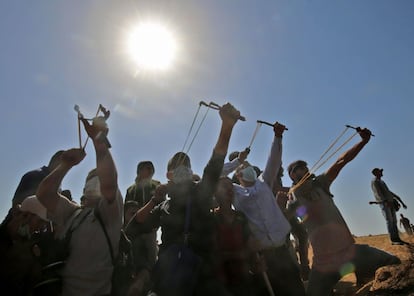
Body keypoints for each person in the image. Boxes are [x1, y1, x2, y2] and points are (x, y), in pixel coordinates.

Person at [134, 102, 241, 296]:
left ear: (192, 172)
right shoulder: (164, 205)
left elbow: (214, 165)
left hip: (203, 279)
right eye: (177, 167)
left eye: (187, 166)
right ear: (169, 175)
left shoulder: (200, 192)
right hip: (169, 279)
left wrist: (227, 127)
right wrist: (154, 200)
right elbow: (135, 227)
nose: (183, 169)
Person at [287, 127, 401, 296]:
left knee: (393, 261)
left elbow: (341, 161)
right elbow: (284, 220)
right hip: (323, 263)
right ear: (292, 177)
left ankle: (365, 280)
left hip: (349, 252)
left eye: (304, 167)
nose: (302, 171)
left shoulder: (321, 183)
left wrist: (362, 142)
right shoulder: (293, 200)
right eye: (297, 170)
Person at [36, 115, 123, 296]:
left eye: (98, 180)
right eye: (91, 181)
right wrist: (65, 165)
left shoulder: (110, 215)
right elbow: (44, 195)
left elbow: (109, 185)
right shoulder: (72, 213)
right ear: (84, 187)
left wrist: (100, 143)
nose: (96, 185)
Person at [222, 122, 306, 296]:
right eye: (241, 167)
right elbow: (214, 174)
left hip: (283, 252)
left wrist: (277, 137)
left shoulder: (264, 183)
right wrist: (237, 161)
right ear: (236, 174)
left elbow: (273, 160)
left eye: (247, 165)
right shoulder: (235, 193)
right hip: (262, 259)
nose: (245, 168)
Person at [213, 176, 255, 296]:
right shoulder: (211, 219)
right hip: (221, 283)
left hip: (244, 280)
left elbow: (249, 244)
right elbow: (212, 254)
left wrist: (255, 260)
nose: (229, 190)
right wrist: (238, 255)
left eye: (231, 187)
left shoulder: (241, 217)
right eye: (224, 187)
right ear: (216, 192)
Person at [371, 167, 408, 244]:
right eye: (380, 171)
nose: (381, 172)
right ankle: (393, 240)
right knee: (389, 221)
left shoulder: (382, 182)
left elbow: (388, 192)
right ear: (376, 173)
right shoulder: (375, 182)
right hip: (385, 203)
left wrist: (400, 201)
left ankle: (397, 238)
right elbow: (378, 193)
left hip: (390, 202)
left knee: (394, 221)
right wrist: (385, 201)